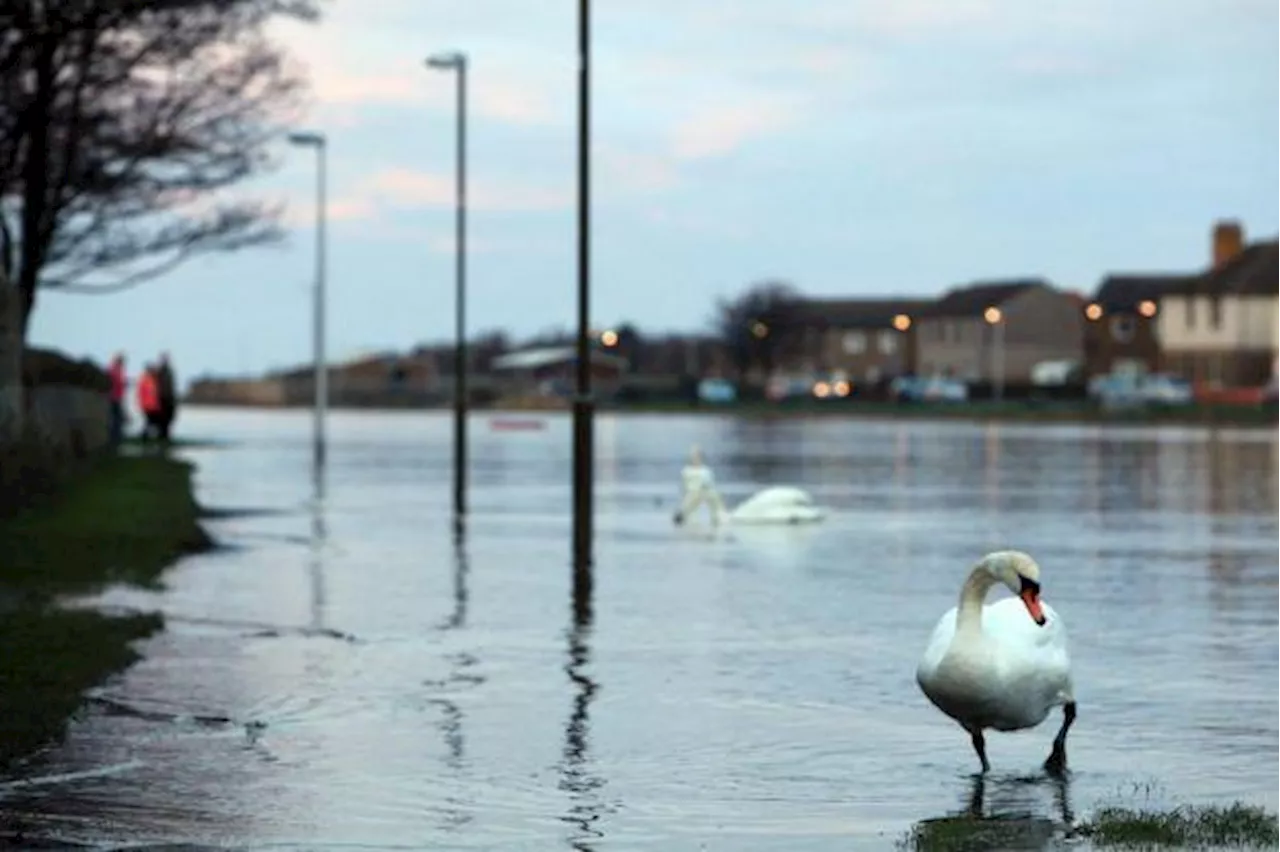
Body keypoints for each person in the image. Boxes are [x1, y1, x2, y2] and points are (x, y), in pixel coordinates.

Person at [155, 352, 178, 442]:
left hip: (169, 398)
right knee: (163, 420)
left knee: (169, 419)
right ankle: (162, 436)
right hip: (162, 398)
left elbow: (172, 386)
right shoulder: (159, 372)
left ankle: (165, 436)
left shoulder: (169, 371)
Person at [136, 363, 162, 442]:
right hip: (147, 405)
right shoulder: (144, 379)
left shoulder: (153, 379)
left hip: (152, 405)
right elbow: (141, 393)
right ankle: (145, 436)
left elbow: (155, 394)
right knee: (150, 422)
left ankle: (148, 436)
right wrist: (142, 404)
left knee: (152, 422)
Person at [107, 353, 128, 446]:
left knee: (117, 418)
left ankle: (116, 436)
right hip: (114, 397)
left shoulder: (117, 369)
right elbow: (117, 382)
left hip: (117, 397)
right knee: (117, 418)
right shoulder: (115, 370)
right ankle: (115, 437)